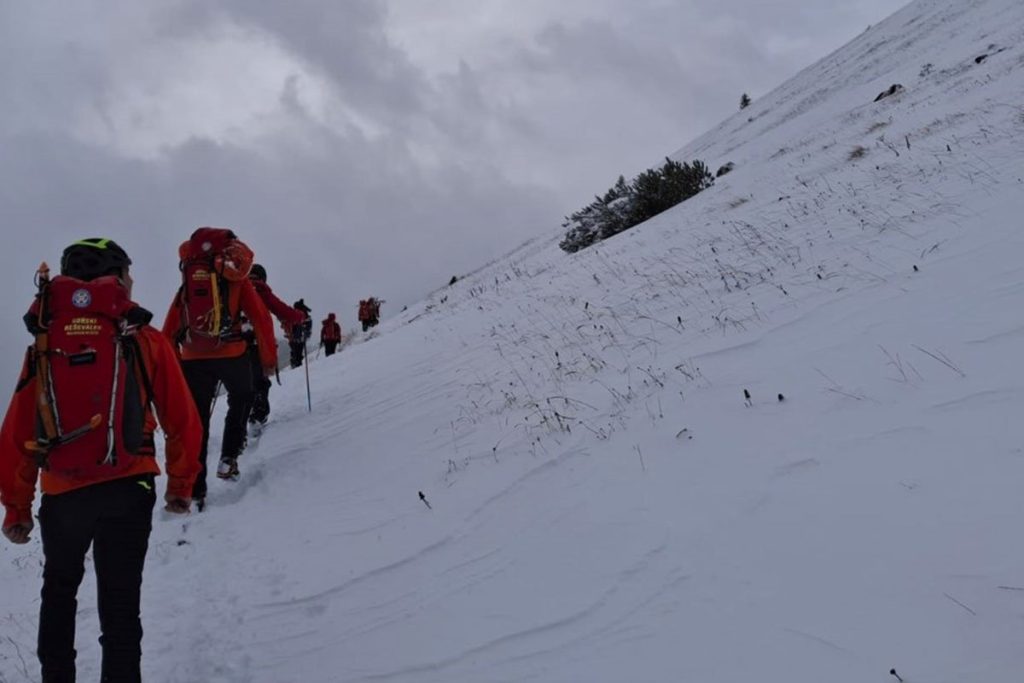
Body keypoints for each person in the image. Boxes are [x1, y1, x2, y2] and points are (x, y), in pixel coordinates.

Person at [0, 238, 202, 683]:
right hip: (130, 487)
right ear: (115, 275)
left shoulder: (44, 343)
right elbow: (182, 418)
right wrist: (181, 485)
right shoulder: (142, 337)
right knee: (120, 603)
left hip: (63, 494)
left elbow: (19, 429)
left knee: (58, 593)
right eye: (127, 272)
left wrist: (17, 507)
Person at [162, 227, 277, 504]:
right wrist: (268, 360)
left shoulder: (189, 280)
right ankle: (228, 457)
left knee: (197, 421)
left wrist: (170, 364)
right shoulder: (237, 279)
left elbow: (171, 325)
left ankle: (196, 489)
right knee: (242, 397)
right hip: (233, 354)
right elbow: (261, 319)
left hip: (193, 358)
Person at [244, 264, 305, 428]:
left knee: (240, 384)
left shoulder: (236, 287)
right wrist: (299, 316)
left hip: (233, 344)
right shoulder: (260, 289)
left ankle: (240, 421)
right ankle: (258, 417)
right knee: (260, 381)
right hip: (256, 344)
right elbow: (281, 309)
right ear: (262, 277)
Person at [288, 299, 313, 368]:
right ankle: (297, 365)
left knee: (295, 352)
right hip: (301, 337)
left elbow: (291, 325)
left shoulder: (297, 314)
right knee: (298, 352)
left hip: (294, 337)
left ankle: (295, 365)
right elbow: (308, 327)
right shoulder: (306, 315)